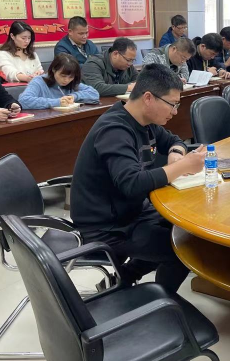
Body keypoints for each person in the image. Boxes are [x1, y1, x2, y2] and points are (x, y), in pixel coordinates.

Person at [70, 63, 208, 293]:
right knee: (183, 251)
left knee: (190, 231)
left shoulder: (145, 122)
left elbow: (174, 140)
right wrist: (182, 166)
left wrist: (176, 153)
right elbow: (132, 183)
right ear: (148, 98)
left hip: (132, 211)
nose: (175, 112)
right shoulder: (114, 129)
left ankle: (123, 279)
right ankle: (159, 303)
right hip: (107, 226)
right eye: (172, 104)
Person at [18, 53, 99, 109]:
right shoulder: (39, 81)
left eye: (71, 77)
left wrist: (74, 96)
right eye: (63, 76)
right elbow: (23, 101)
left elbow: (94, 93)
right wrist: (57, 102)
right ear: (54, 70)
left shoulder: (72, 82)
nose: (66, 80)